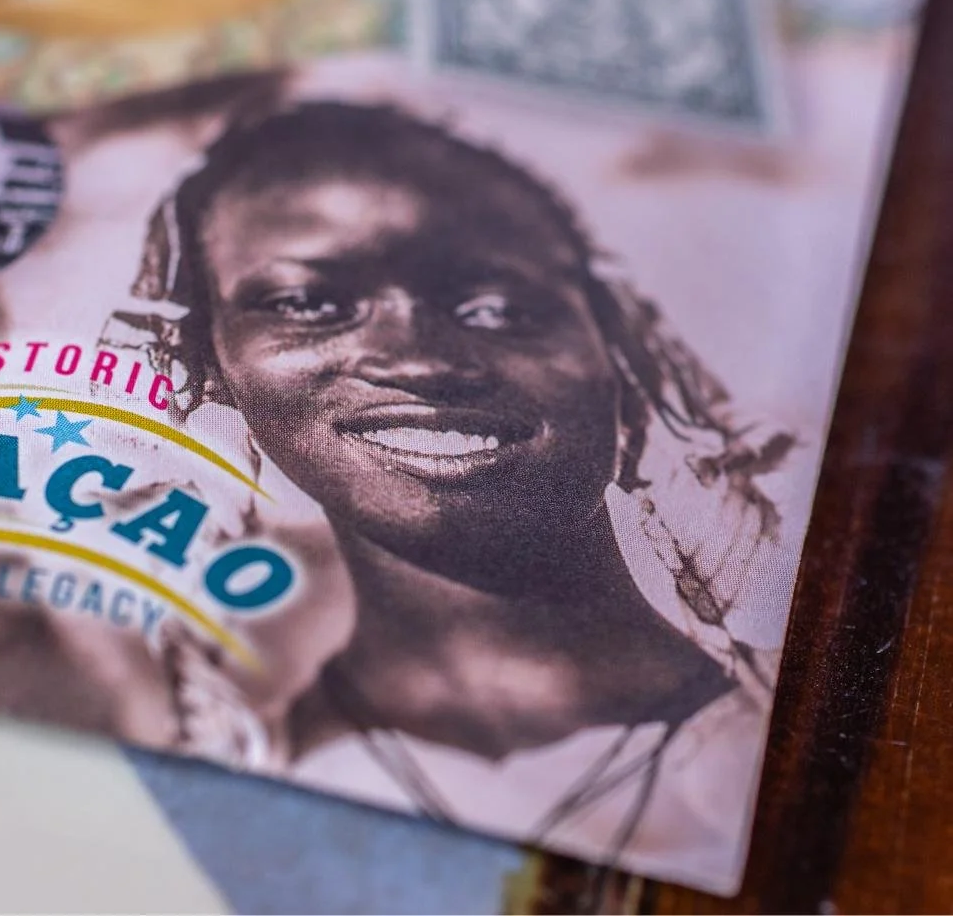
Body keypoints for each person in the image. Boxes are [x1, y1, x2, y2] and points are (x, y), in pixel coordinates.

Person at [112, 97, 793, 874]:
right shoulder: (225, 770)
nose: (417, 360)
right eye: (308, 303)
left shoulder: (774, 762)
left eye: (496, 307)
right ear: (204, 362)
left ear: (626, 358)